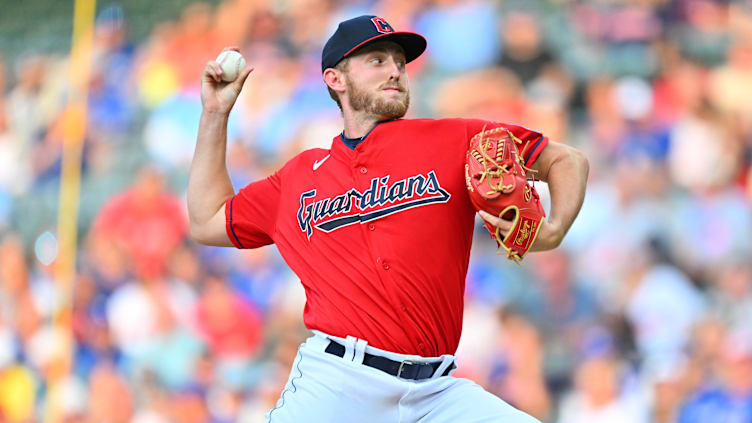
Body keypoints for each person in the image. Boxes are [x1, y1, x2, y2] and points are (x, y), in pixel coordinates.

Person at [188, 15, 588, 423]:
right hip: (338, 384)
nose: (396, 70)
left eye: (399, 61)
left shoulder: (454, 139)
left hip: (437, 391)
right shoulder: (297, 179)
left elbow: (565, 159)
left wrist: (553, 229)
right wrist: (215, 114)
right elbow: (207, 220)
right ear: (335, 79)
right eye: (377, 60)